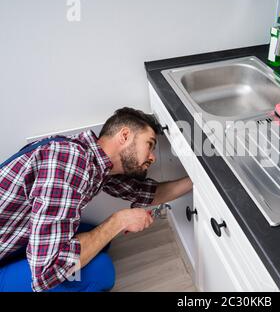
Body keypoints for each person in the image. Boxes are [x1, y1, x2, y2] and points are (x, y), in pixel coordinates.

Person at [0, 107, 192, 292]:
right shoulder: (69, 161)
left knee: (97, 238)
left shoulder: (94, 162)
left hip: (13, 237)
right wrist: (119, 221)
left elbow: (149, 194)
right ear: (124, 136)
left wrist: (198, 179)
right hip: (32, 262)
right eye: (149, 144)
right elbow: (46, 271)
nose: (153, 157)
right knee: (101, 270)